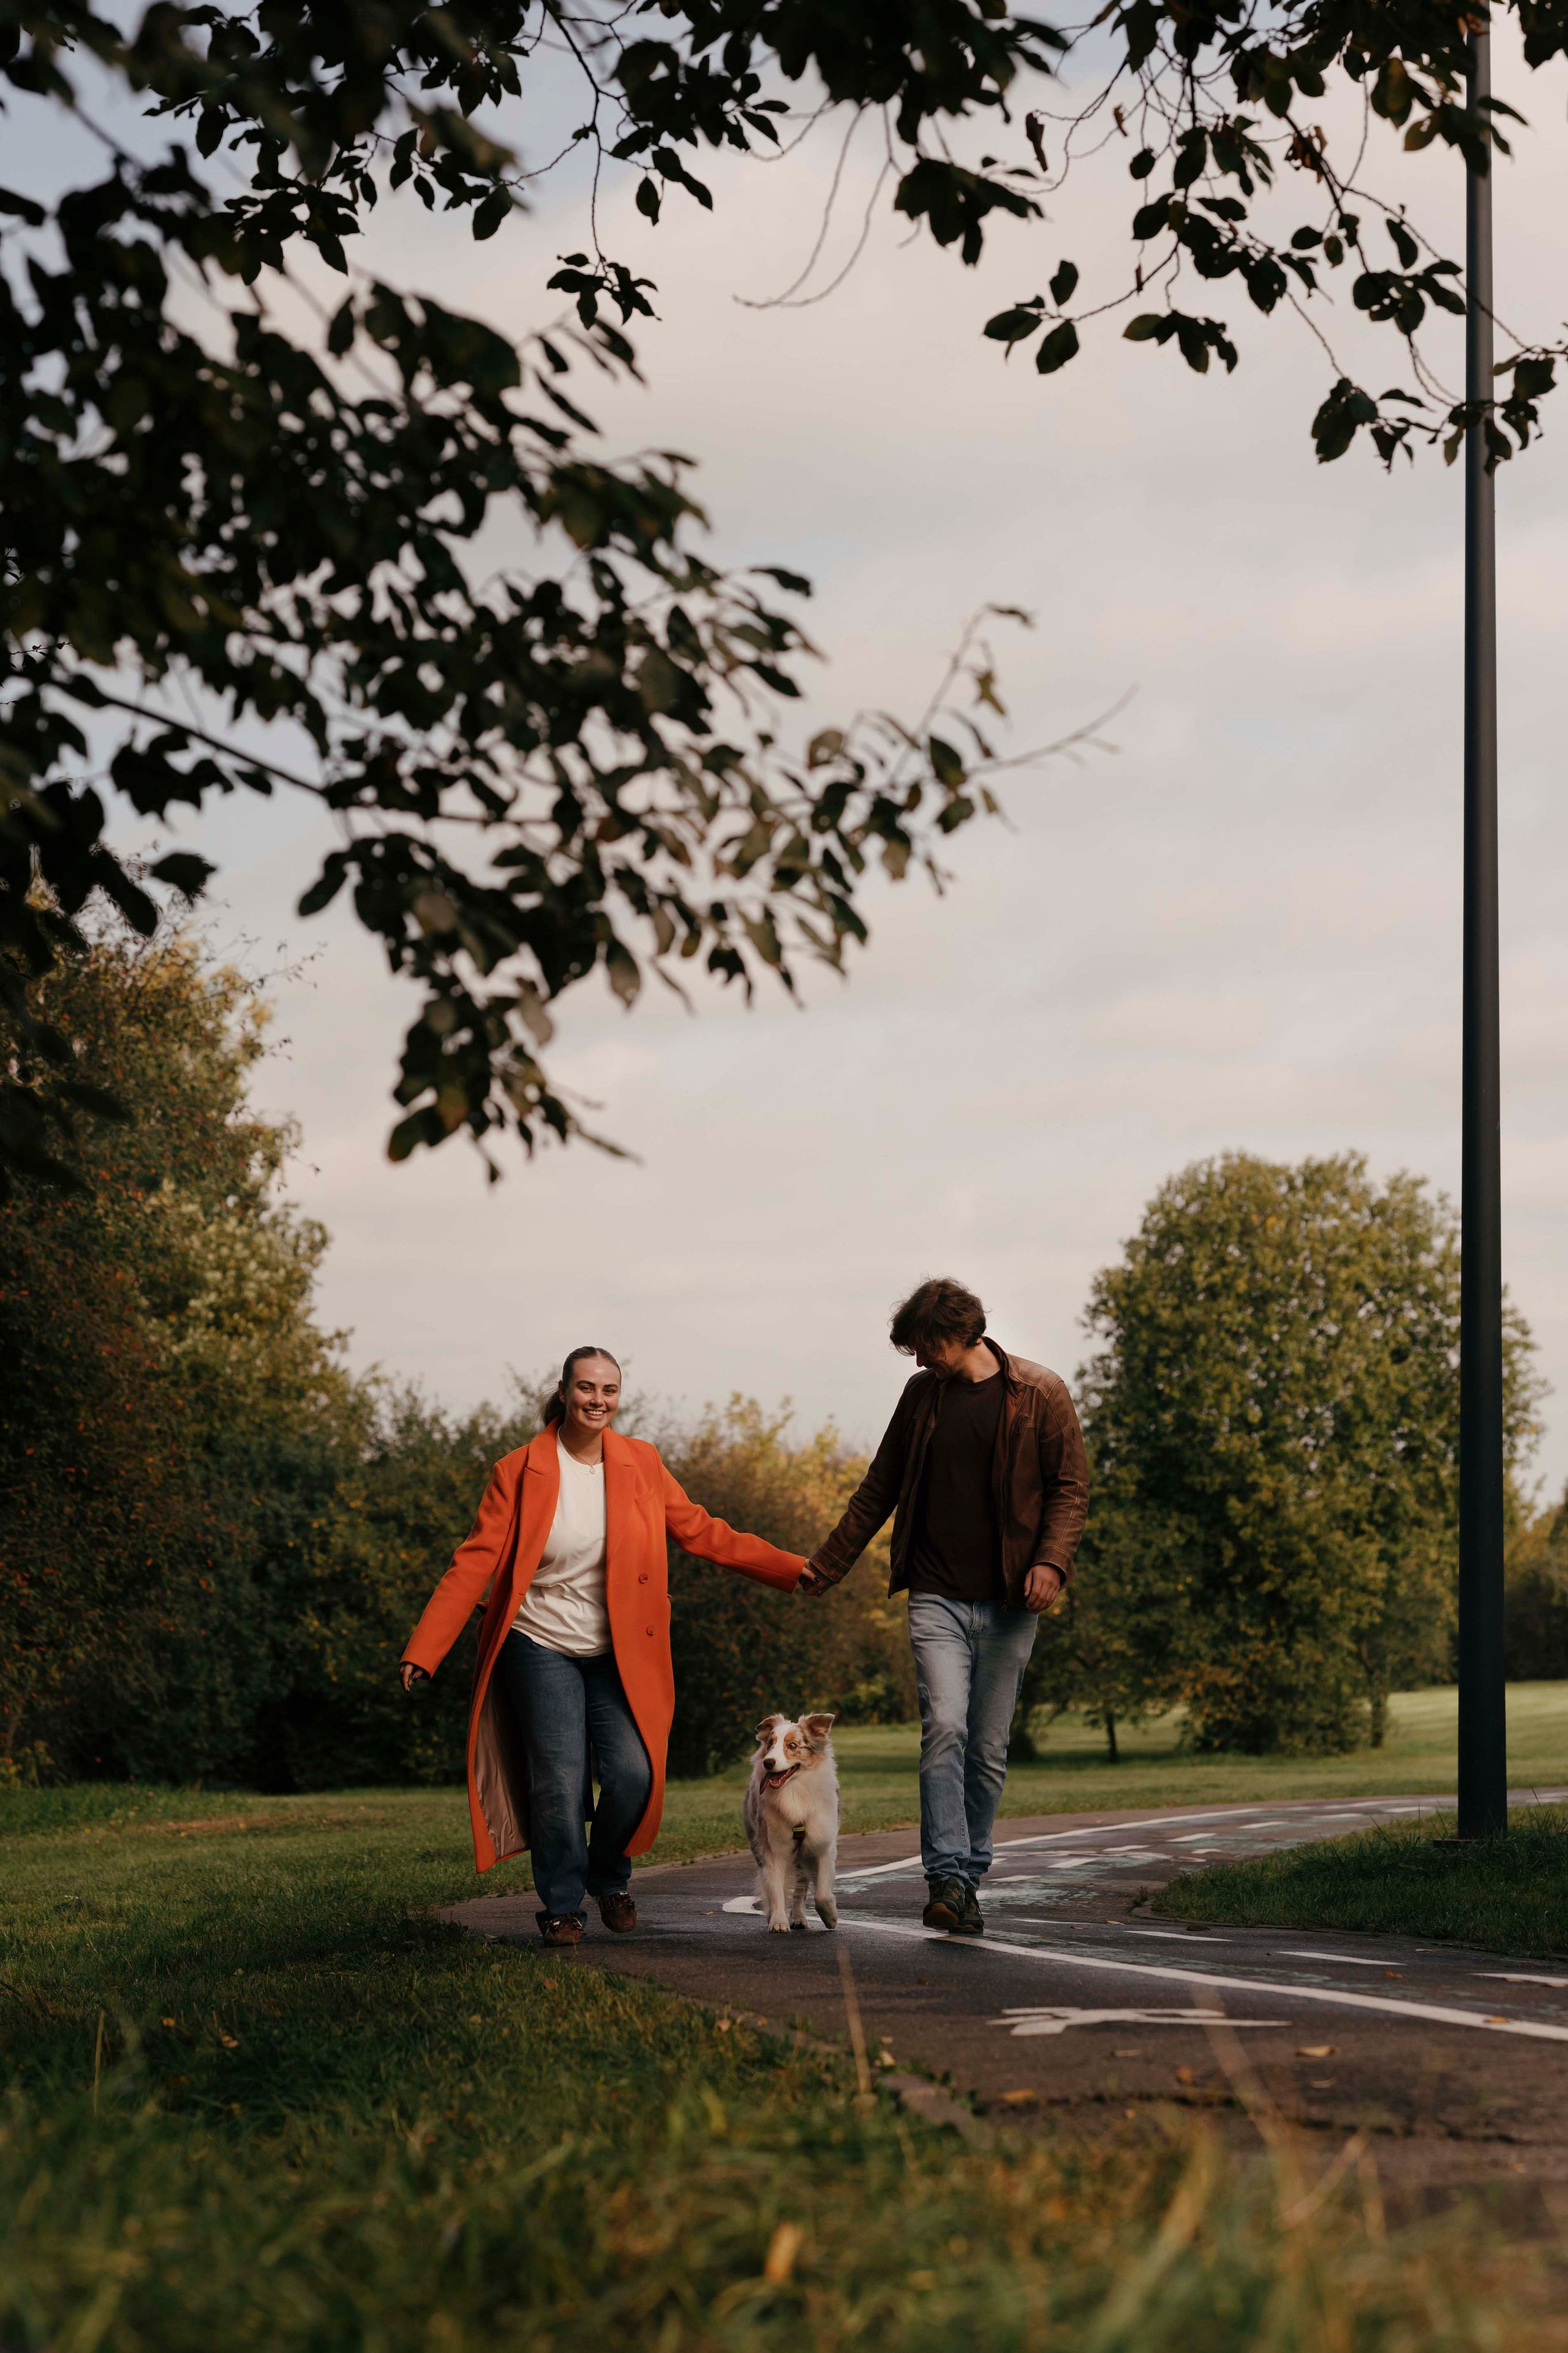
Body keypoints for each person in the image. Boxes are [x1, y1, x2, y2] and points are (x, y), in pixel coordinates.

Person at [400, 1345, 805, 1948]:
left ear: (618, 1396)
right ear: (564, 1392)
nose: (597, 1400)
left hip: (618, 1650)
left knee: (633, 1775)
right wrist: (425, 1647)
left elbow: (700, 1530)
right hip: (538, 1642)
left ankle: (607, 1872)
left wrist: (795, 1569)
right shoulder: (519, 1469)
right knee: (559, 1782)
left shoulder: (640, 1462)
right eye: (586, 1387)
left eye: (608, 1389)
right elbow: (475, 1560)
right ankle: (562, 1905)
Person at [799, 1278, 1088, 1937]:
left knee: (986, 1748)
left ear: (960, 1333)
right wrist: (829, 1563)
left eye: (925, 1346)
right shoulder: (922, 1396)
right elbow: (880, 1487)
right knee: (945, 1728)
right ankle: (946, 1877)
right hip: (936, 1594)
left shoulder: (1040, 1393)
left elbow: (1070, 1490)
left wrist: (1051, 1562)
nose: (919, 1359)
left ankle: (969, 1878)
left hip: (1012, 1599)